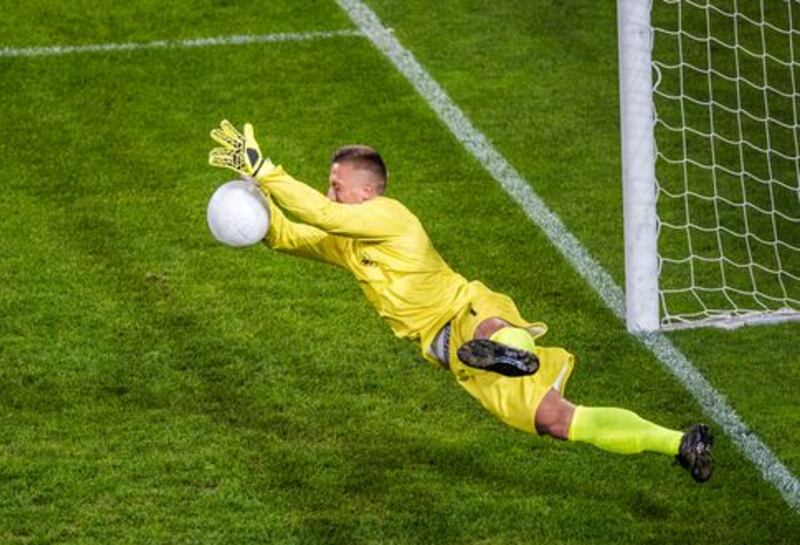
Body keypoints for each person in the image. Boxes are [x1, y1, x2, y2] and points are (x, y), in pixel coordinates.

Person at [207, 120, 714, 482]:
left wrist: (265, 168)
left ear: (366, 193)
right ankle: (681, 442)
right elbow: (294, 235)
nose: (329, 192)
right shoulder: (346, 244)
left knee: (489, 329)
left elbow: (322, 214)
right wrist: (256, 206)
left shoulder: (390, 216)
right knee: (557, 420)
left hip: (466, 307)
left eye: (336, 185)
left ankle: (514, 353)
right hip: (454, 354)